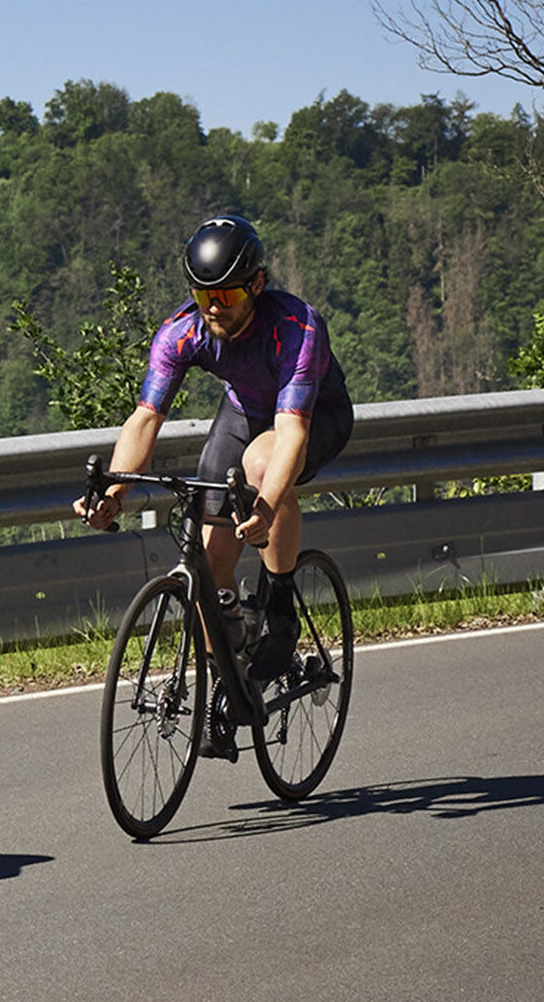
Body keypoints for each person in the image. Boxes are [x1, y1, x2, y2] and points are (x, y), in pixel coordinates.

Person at [74, 213, 354, 686]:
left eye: (226, 296)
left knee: (263, 465)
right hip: (243, 414)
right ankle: (223, 679)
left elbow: (290, 434)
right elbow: (145, 419)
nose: (214, 309)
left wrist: (265, 508)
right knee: (208, 558)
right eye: (204, 296)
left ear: (257, 284)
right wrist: (116, 493)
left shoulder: (296, 326)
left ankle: (282, 608)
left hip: (313, 416)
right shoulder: (182, 331)